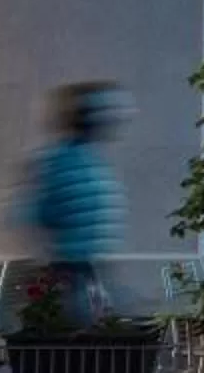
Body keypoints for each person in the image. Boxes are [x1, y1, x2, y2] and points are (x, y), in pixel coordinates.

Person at [17, 82, 131, 317]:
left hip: (86, 269)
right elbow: (38, 213)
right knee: (80, 335)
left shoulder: (79, 159)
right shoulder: (68, 161)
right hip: (72, 271)